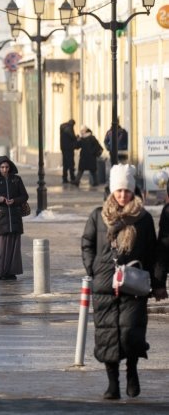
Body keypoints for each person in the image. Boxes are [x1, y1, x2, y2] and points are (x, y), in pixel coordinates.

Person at [81, 164, 168, 400]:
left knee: (130, 333)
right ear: (111, 191)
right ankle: (112, 384)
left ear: (133, 190)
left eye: (126, 191)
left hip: (134, 284)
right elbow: (87, 243)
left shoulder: (142, 218)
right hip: (105, 286)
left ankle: (131, 372)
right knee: (108, 336)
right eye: (118, 191)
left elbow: (154, 251)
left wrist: (158, 281)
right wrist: (93, 268)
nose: (122, 196)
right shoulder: (98, 216)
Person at [0, 156, 29, 281]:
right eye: (2, 167)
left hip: (15, 216)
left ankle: (11, 272)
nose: (4, 169)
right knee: (2, 245)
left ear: (10, 167)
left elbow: (24, 196)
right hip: (1, 217)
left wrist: (14, 200)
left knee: (14, 246)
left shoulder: (16, 179)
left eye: (6, 167)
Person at [59, 119, 78, 183]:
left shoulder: (63, 127)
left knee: (65, 164)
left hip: (63, 148)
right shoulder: (69, 128)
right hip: (69, 149)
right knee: (71, 163)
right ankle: (72, 177)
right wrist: (76, 137)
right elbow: (72, 137)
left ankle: (64, 178)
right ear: (72, 123)